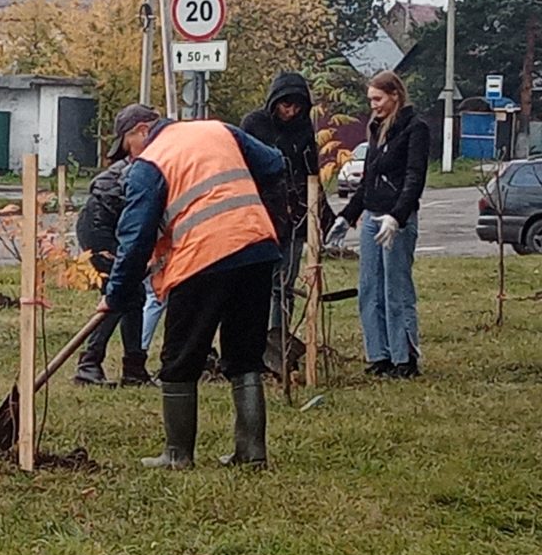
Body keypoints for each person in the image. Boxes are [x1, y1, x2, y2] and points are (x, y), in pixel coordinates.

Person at [98, 104, 287, 469]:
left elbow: (135, 237)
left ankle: (176, 454)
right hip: (256, 247)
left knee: (181, 357)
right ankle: (251, 452)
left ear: (141, 130)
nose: (128, 158)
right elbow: (274, 164)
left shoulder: (151, 161)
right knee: (244, 355)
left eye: (126, 148)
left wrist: (116, 294)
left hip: (204, 258)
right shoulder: (218, 130)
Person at [328, 71, 429, 379]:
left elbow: (414, 178)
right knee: (369, 289)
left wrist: (397, 217)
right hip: (372, 218)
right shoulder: (375, 129)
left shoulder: (416, 128)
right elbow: (369, 179)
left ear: (395, 95)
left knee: (395, 289)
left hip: (395, 221)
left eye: (378, 99)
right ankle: (379, 356)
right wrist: (345, 215)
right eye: (370, 99)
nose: (373, 105)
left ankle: (404, 358)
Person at [241, 72, 337, 346]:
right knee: (257, 282)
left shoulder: (304, 128)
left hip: (295, 214)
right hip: (261, 213)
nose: (291, 112)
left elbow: (311, 171)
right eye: (286, 105)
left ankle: (279, 341)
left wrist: (322, 214)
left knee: (284, 283)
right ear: (274, 102)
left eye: (297, 106)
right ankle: (253, 341)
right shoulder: (254, 124)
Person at [73, 158, 152, 386]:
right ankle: (88, 365)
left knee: (135, 294)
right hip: (100, 224)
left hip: (118, 220)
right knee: (120, 290)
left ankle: (134, 370)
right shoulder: (157, 164)